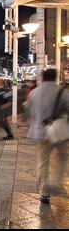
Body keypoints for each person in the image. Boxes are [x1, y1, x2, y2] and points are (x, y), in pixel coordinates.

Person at [27, 69, 69, 204]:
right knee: (62, 157)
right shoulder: (63, 92)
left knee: (43, 161)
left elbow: (31, 113)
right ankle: (55, 182)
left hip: (41, 131)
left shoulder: (34, 93)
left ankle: (44, 192)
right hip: (58, 132)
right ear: (56, 78)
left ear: (43, 78)